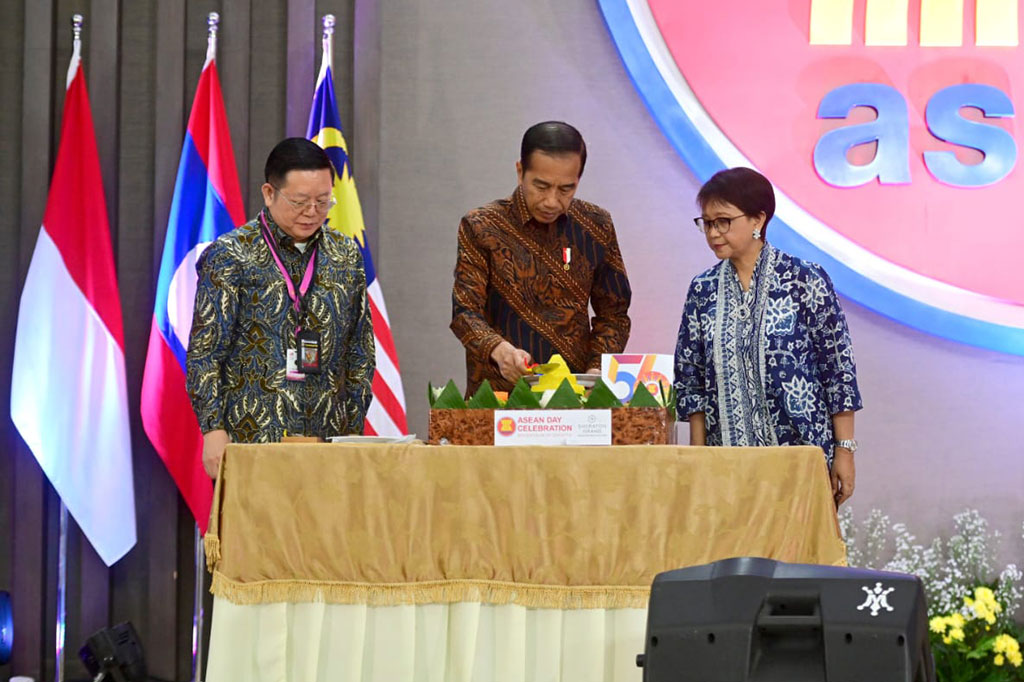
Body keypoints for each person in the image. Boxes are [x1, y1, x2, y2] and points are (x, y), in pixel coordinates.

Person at [186, 137, 375, 477]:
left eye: (323, 201)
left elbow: (360, 349)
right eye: (300, 201)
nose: (312, 212)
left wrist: (352, 426)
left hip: (329, 441)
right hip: (252, 440)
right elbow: (206, 352)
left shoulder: (345, 256)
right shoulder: (231, 255)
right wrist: (213, 428)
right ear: (269, 193)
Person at [673, 167, 862, 505]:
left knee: (800, 540)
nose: (713, 233)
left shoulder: (805, 280)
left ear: (758, 219)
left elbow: (838, 371)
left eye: (723, 221)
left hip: (801, 459)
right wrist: (698, 459)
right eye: (707, 223)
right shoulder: (702, 290)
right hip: (726, 468)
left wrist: (844, 451)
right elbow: (691, 381)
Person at [451, 121, 632, 395]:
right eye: (541, 186)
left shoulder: (596, 225)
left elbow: (614, 314)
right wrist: (499, 351)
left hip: (576, 397)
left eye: (565, 189)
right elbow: (465, 311)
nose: (551, 201)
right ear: (520, 171)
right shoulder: (482, 225)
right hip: (500, 396)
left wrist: (597, 370)